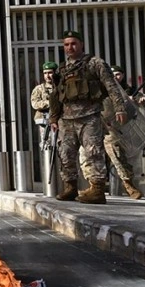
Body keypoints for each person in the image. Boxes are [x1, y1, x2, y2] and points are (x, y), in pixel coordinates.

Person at [48, 30, 128, 204]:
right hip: (66, 119)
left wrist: (119, 108)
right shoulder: (62, 68)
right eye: (66, 44)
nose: (70, 47)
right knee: (65, 154)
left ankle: (97, 190)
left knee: (93, 152)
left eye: (74, 43)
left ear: (82, 44)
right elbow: (56, 95)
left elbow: (111, 86)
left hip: (89, 116)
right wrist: (53, 119)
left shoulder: (94, 63)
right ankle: (70, 187)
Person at [98, 65, 145, 199]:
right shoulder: (102, 90)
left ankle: (129, 184)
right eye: (112, 75)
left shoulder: (129, 89)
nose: (115, 77)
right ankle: (97, 186)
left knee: (121, 157)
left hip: (126, 131)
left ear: (122, 75)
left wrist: (140, 100)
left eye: (118, 74)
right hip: (105, 128)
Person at [31, 61, 57, 145]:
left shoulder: (61, 87)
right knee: (47, 145)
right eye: (45, 73)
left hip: (60, 121)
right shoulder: (39, 89)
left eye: (50, 72)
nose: (47, 76)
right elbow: (35, 104)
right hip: (45, 122)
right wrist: (50, 103)